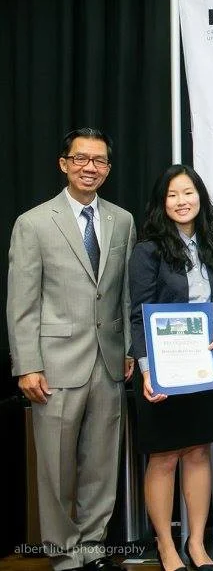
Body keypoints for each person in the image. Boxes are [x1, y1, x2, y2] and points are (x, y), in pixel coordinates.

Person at [7, 128, 135, 571]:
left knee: (101, 465)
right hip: (55, 365)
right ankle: (64, 555)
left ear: (108, 169)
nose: (89, 168)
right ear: (64, 164)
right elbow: (22, 302)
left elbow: (123, 294)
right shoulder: (33, 222)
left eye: (99, 161)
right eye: (81, 159)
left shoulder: (122, 220)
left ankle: (93, 548)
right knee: (56, 469)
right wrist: (27, 365)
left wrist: (128, 348)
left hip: (109, 362)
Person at [129, 165, 213, 571]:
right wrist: (147, 371)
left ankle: (197, 544)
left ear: (200, 197)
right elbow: (138, 314)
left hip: (202, 366)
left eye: (188, 192)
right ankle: (166, 546)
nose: (182, 201)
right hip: (162, 368)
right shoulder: (148, 250)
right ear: (162, 202)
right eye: (172, 195)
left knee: (199, 452)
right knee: (165, 457)